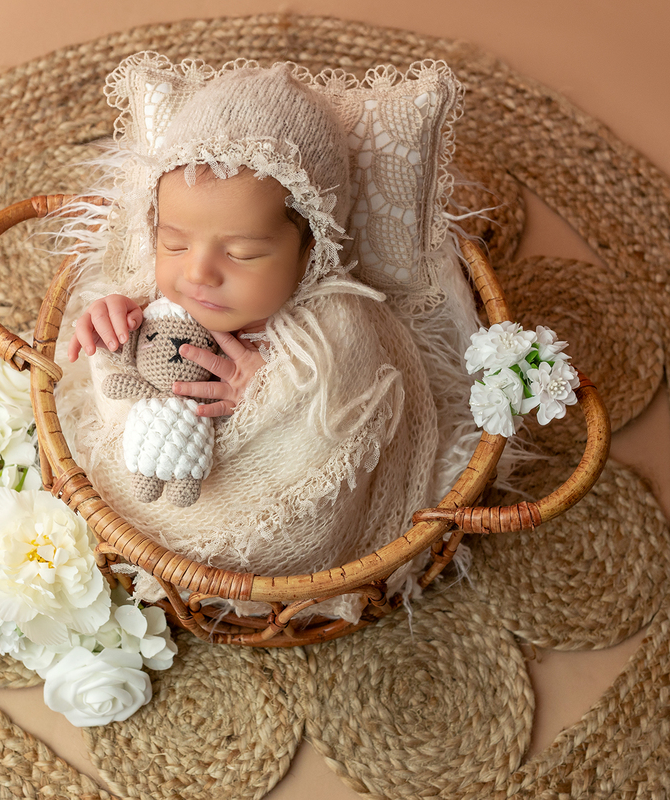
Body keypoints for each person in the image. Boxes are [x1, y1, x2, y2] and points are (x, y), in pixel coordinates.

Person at [55, 54, 479, 621]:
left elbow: (356, 393)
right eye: (174, 244)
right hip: (148, 497)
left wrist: (273, 388)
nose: (199, 274)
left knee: (304, 514)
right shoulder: (156, 304)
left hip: (279, 519)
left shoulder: (337, 318)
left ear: (311, 251)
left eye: (243, 253)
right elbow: (113, 384)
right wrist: (109, 321)